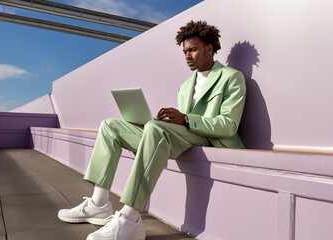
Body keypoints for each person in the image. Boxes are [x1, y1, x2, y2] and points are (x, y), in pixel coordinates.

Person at [58, 20, 246, 240]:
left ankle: (130, 218)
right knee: (111, 126)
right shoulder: (185, 86)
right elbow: (181, 126)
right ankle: (99, 204)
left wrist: (185, 118)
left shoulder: (231, 77)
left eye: (193, 50)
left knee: (155, 129)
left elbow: (228, 125)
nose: (187, 56)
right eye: (184, 51)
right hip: (182, 137)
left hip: (210, 140)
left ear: (209, 48)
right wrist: (167, 120)